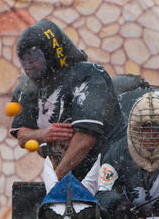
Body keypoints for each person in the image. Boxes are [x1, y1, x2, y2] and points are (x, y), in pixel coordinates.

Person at [10, 19, 126, 180]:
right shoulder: (30, 85)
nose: (28, 65)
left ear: (50, 54)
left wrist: (56, 179)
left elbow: (85, 139)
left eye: (34, 58)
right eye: (24, 59)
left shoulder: (89, 75)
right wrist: (43, 134)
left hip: (108, 174)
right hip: (68, 176)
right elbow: (22, 136)